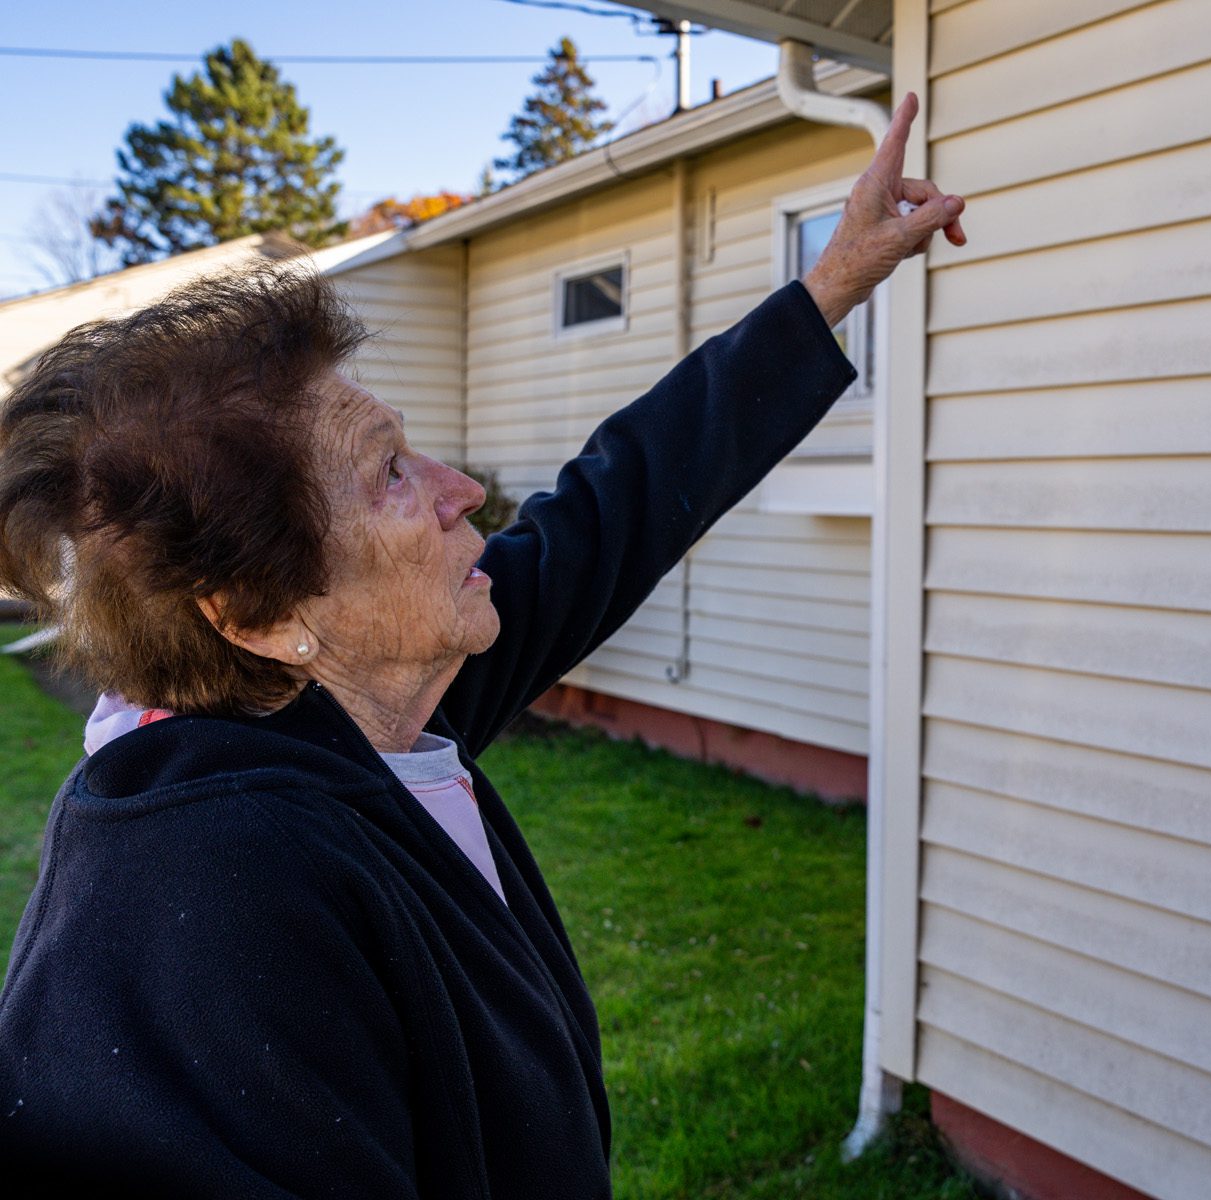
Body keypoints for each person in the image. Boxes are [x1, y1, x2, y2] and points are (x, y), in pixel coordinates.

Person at [0, 94, 965, 1197]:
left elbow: (614, 508)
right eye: (393, 475)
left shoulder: (348, 704)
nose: (463, 493)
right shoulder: (203, 907)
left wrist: (834, 277)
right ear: (259, 612)